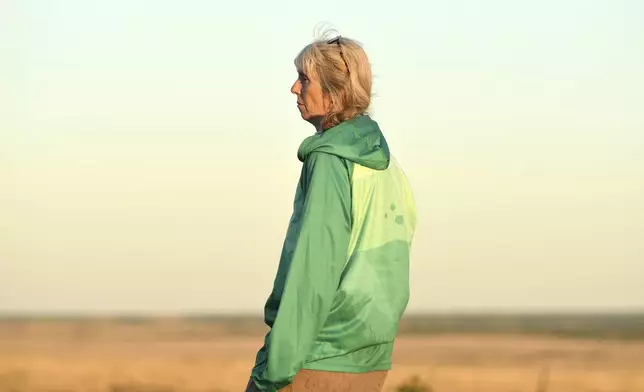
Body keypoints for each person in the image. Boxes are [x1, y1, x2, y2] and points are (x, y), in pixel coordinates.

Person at [245, 30, 417, 392]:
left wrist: (271, 373)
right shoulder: (388, 169)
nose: (294, 89)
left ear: (335, 91)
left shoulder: (330, 160)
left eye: (304, 78)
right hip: (369, 361)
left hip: (315, 360)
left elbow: (313, 272)